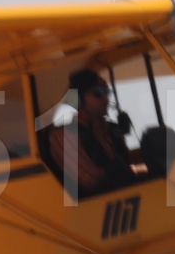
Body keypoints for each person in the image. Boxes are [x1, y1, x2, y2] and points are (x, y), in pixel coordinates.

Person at [53, 68, 144, 197]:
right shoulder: (64, 135)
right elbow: (91, 181)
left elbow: (127, 163)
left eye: (106, 91)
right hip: (94, 207)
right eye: (98, 93)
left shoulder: (110, 130)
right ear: (78, 99)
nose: (106, 98)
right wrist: (121, 169)